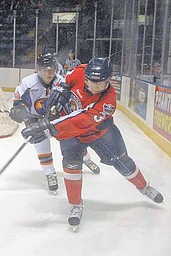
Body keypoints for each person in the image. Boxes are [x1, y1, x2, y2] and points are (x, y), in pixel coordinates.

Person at [21, 57, 164, 228]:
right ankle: (75, 205)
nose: (96, 86)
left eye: (101, 83)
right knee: (71, 167)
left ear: (108, 81)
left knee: (122, 162)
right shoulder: (80, 71)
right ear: (86, 76)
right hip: (72, 135)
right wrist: (62, 89)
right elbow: (66, 79)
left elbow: (81, 121)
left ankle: (144, 186)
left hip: (100, 134)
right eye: (92, 82)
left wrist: (48, 128)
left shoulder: (108, 102)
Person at [9, 53, 100, 193]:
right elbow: (19, 101)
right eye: (45, 69)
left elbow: (72, 99)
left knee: (73, 141)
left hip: (58, 117)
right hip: (36, 119)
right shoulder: (28, 82)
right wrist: (18, 110)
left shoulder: (62, 82)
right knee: (41, 144)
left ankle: (86, 159)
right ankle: (50, 173)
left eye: (51, 69)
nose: (48, 73)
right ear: (38, 70)